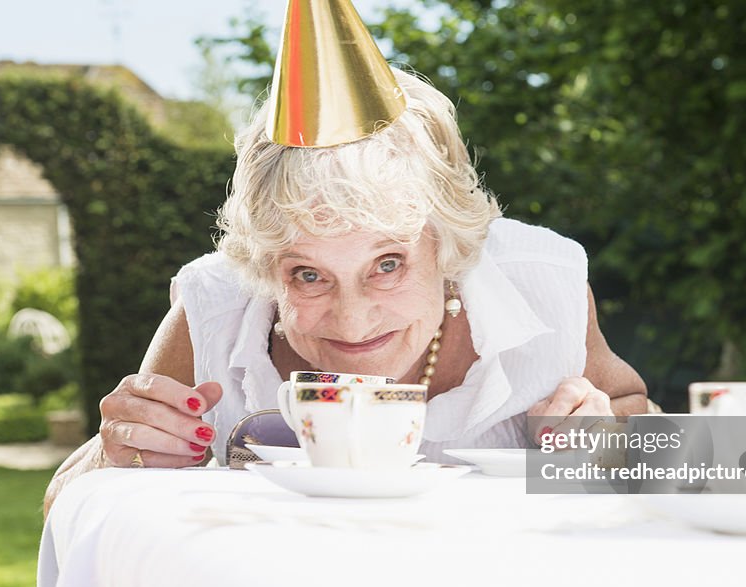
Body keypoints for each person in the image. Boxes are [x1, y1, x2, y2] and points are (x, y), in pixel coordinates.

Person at [43, 0, 646, 516]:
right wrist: (115, 452)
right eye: (308, 275)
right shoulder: (215, 310)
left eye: (388, 263)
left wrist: (611, 441)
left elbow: (704, 452)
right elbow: (61, 509)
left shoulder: (542, 283)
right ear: (264, 271)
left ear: (450, 246)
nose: (353, 323)